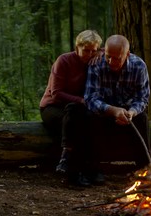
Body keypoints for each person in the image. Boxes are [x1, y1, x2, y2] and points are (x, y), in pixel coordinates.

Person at [40, 30, 102, 187]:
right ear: (77, 47)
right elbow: (56, 93)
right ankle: (71, 172)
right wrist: (81, 100)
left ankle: (91, 169)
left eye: (93, 50)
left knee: (89, 120)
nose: (90, 54)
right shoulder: (64, 61)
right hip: (53, 108)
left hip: (79, 110)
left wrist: (100, 54)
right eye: (86, 50)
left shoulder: (97, 59)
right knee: (77, 122)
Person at [84, 34, 151, 180]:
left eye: (116, 58)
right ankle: (94, 170)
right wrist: (112, 111)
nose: (110, 61)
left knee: (142, 119)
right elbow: (90, 98)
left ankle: (144, 170)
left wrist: (132, 112)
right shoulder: (96, 65)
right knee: (90, 117)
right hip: (104, 112)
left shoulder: (139, 66)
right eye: (108, 56)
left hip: (128, 114)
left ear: (127, 54)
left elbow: (142, 98)